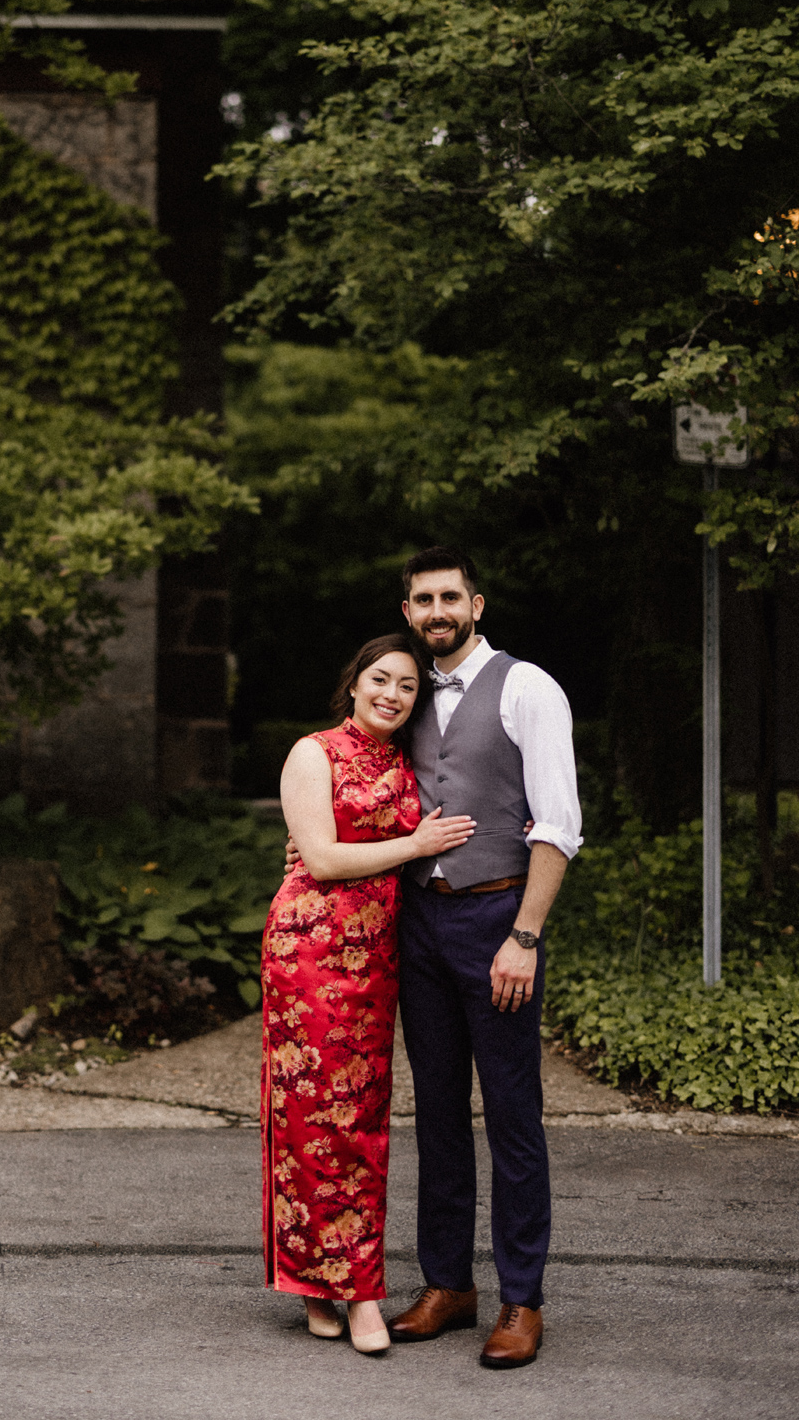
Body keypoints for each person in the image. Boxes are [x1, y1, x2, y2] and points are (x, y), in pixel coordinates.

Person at [383, 545, 582, 1369]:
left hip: (498, 917)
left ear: (477, 604)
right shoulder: (402, 694)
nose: (436, 611)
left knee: (511, 1115)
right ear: (408, 613)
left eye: (449, 597)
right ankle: (447, 1285)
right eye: (423, 600)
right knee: (434, 1111)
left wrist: (525, 937)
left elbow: (558, 824)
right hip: (419, 925)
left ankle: (521, 1298)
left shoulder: (528, 687)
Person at [263, 633, 474, 1355]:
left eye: (407, 686)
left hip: (382, 951)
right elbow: (319, 857)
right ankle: (351, 1295)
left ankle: (322, 1283)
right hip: (312, 952)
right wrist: (416, 845)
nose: (391, 694)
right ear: (354, 683)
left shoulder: (414, 763)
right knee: (312, 1119)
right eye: (379, 679)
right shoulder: (312, 752)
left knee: (360, 1118)